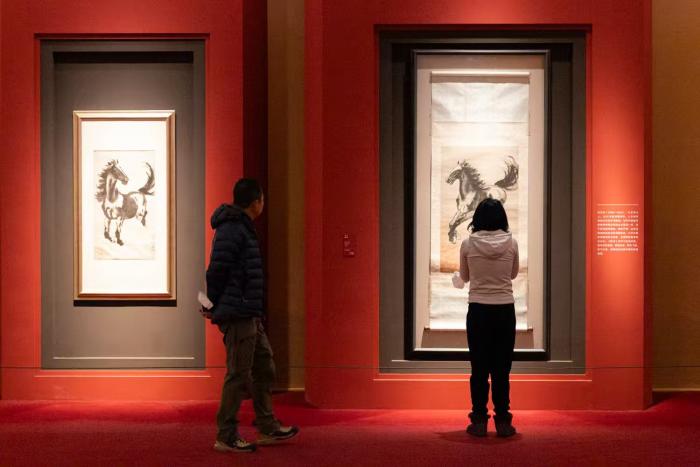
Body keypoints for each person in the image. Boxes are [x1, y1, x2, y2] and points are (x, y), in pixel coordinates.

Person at [202, 178, 299, 453]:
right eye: (262, 200)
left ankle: (267, 426)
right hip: (239, 313)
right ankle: (226, 435)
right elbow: (216, 270)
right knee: (238, 374)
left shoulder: (242, 227)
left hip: (250, 313)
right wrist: (211, 303)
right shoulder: (232, 229)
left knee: (264, 367)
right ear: (256, 202)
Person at [452, 198, 518, 438]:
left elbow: (465, 277)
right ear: (502, 218)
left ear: (477, 218)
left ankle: (479, 420)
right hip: (504, 310)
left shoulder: (468, 244)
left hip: (478, 310)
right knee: (502, 368)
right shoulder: (512, 243)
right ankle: (503, 421)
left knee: (479, 368)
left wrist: (458, 279)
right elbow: (512, 274)